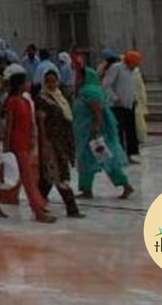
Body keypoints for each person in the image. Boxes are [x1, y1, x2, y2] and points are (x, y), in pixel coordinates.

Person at [0, 68, 55, 222]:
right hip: (16, 145)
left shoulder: (25, 101)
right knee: (27, 178)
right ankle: (38, 210)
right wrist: (6, 148)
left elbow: (30, 123)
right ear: (20, 84)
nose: (29, 84)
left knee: (16, 177)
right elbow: (9, 126)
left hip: (26, 143)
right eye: (26, 81)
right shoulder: (12, 102)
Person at [73, 65, 134, 199]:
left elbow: (98, 110)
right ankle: (86, 189)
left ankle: (125, 185)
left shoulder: (90, 91)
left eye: (79, 76)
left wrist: (96, 128)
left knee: (106, 160)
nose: (76, 79)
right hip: (84, 134)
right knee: (85, 161)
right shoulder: (84, 90)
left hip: (93, 135)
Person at [35, 67, 84, 218]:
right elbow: (41, 122)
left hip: (62, 141)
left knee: (48, 178)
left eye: (53, 81)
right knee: (59, 174)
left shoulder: (60, 97)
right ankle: (72, 208)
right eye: (48, 81)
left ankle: (38, 203)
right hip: (51, 142)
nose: (51, 84)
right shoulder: (42, 99)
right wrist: (44, 143)